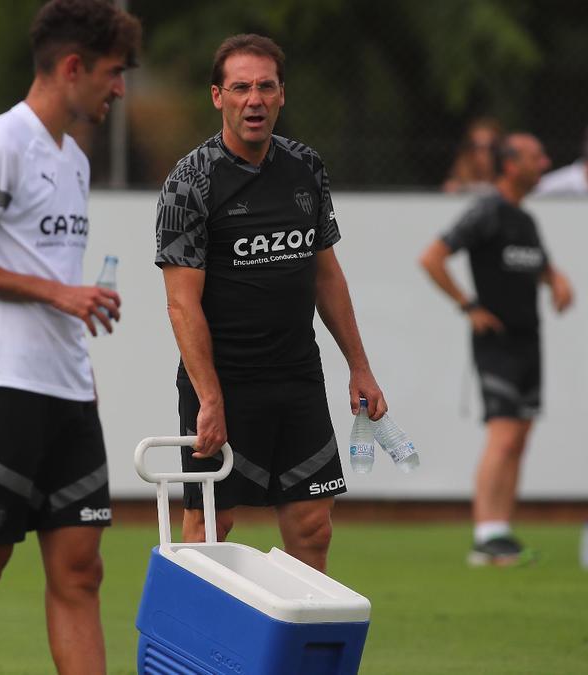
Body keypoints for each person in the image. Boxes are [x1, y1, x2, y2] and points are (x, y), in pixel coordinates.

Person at [0, 2, 140, 673]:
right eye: (113, 73)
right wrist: (59, 294)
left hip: (67, 393)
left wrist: (82, 368)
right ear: (73, 68)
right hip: (3, 389)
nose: (120, 88)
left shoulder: (74, 161)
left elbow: (54, 274)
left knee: (81, 571)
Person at [154, 34, 387, 574]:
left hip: (296, 378)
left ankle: (295, 652)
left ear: (282, 95)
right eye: (240, 87)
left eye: (265, 86)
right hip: (224, 383)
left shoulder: (307, 167)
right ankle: (200, 653)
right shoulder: (189, 183)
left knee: (312, 527)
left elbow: (325, 273)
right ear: (218, 96)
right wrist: (209, 399)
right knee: (210, 528)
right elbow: (181, 305)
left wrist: (360, 366)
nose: (253, 100)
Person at [418, 133, 575, 567]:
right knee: (503, 436)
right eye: (534, 156)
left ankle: (501, 533)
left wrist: (557, 280)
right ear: (509, 165)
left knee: (520, 437)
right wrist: (469, 306)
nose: (544, 161)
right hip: (497, 345)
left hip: (530, 342)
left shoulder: (524, 219)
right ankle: (485, 536)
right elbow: (432, 257)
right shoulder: (487, 211)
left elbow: (539, 264)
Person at [441, 117, 502, 193]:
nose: (483, 153)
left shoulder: (506, 180)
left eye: (490, 148)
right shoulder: (457, 182)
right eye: (477, 147)